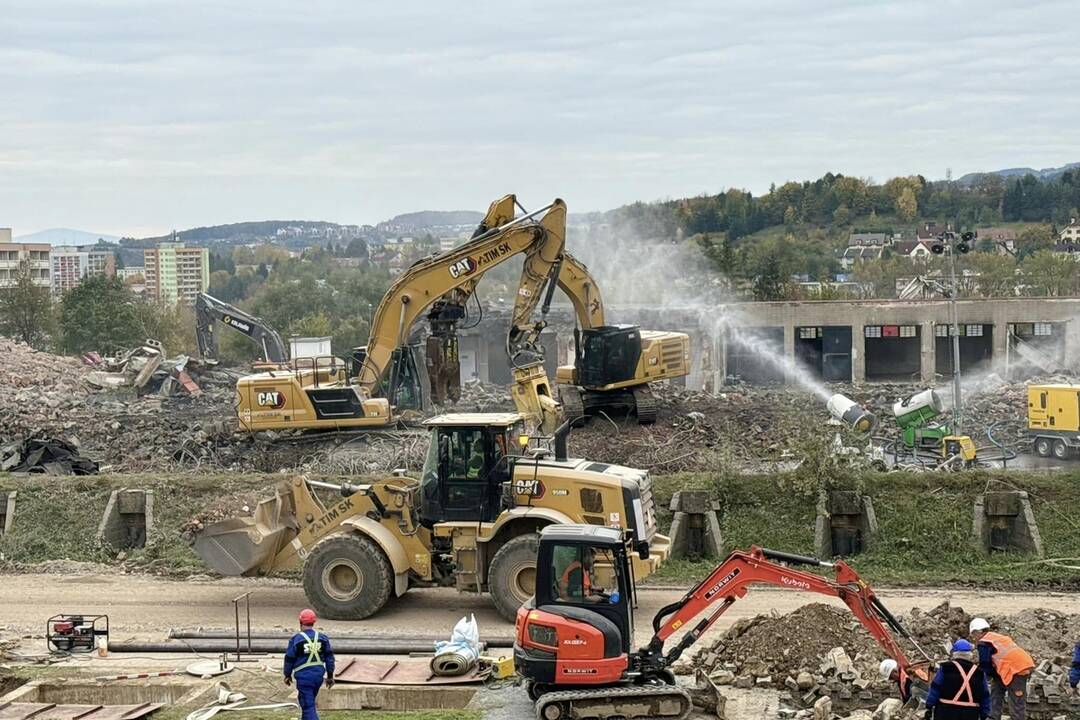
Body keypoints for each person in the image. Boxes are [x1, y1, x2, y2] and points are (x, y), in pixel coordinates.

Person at [969, 618, 1035, 720]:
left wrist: (975, 679)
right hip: (1011, 666)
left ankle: (1016, 718)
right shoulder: (995, 637)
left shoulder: (984, 642)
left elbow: (985, 665)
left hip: (1017, 668)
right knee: (996, 690)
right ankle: (993, 716)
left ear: (977, 632)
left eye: (973, 635)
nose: (974, 638)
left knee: (1016, 701)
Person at [283, 609, 335, 720]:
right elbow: (330, 658)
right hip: (318, 678)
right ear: (314, 622)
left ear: (300, 622)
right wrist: (330, 676)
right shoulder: (322, 638)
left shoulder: (296, 640)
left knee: (308, 707)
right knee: (305, 702)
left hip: (304, 678)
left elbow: (289, 659)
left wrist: (287, 674)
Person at [923, 639, 990, 720]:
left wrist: (929, 706)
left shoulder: (945, 668)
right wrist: (984, 713)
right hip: (970, 713)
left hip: (945, 711)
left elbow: (935, 687)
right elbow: (985, 695)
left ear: (954, 653)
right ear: (970, 654)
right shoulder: (979, 672)